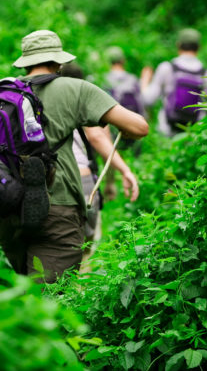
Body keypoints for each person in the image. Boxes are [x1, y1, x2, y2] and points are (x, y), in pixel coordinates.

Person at [0, 30, 148, 283]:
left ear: (25, 61)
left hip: (6, 206)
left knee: (25, 288)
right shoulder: (75, 88)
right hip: (56, 206)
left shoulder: (3, 90)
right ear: (58, 62)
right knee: (49, 301)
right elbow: (140, 128)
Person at [60, 63, 139, 265]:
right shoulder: (85, 102)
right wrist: (117, 176)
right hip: (84, 180)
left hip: (52, 179)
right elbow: (100, 140)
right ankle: (78, 291)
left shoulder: (44, 102)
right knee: (84, 250)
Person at [140, 28, 207, 136]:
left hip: (167, 134)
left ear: (178, 45)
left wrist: (144, 80)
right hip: (195, 136)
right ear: (199, 47)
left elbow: (148, 100)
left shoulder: (166, 68)